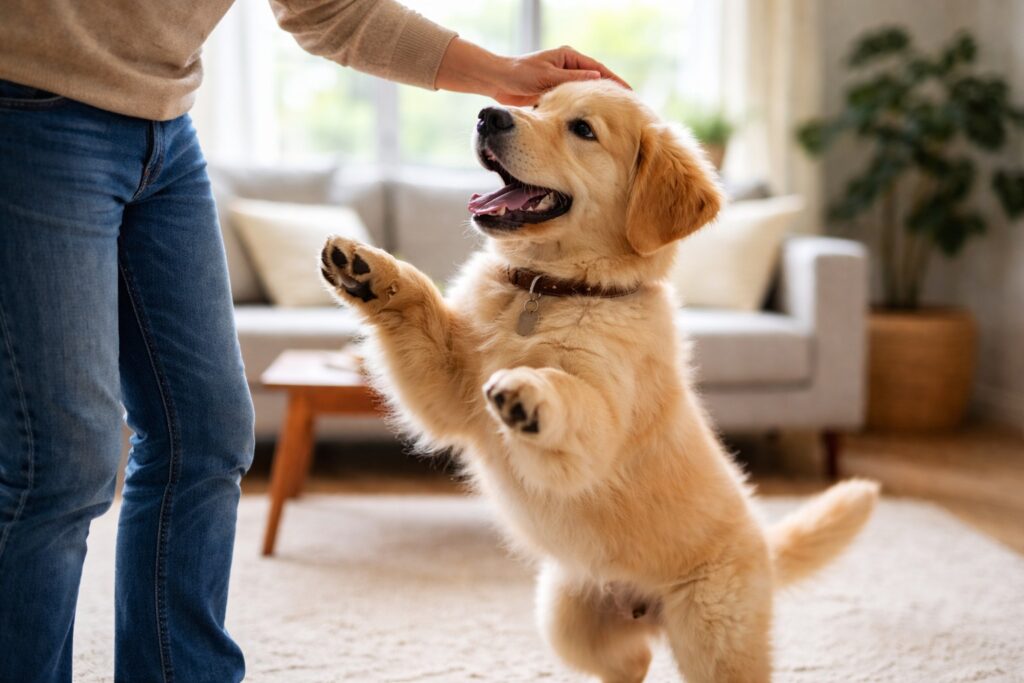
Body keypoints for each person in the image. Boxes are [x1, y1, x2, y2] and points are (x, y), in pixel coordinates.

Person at [0, 1, 627, 682]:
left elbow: (328, 8)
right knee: (61, 462)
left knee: (206, 434)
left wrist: (501, 73)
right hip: (30, 108)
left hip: (164, 125)